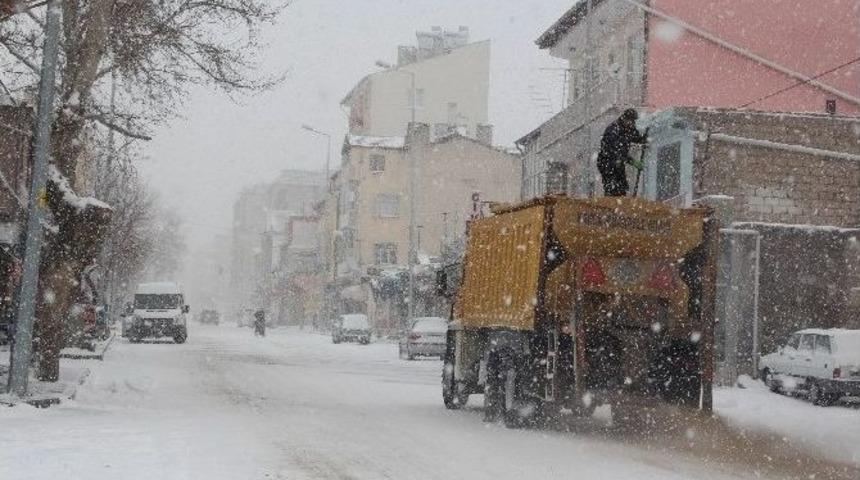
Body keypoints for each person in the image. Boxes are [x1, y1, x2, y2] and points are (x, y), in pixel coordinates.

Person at [597, 108, 648, 197]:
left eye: (633, 122)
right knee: (612, 186)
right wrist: (632, 162)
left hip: (618, 162)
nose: (632, 124)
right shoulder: (613, 130)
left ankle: (620, 203)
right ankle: (610, 204)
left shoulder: (629, 129)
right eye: (631, 121)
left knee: (622, 186)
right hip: (606, 161)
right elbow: (616, 151)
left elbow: (636, 138)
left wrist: (644, 139)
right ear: (625, 119)